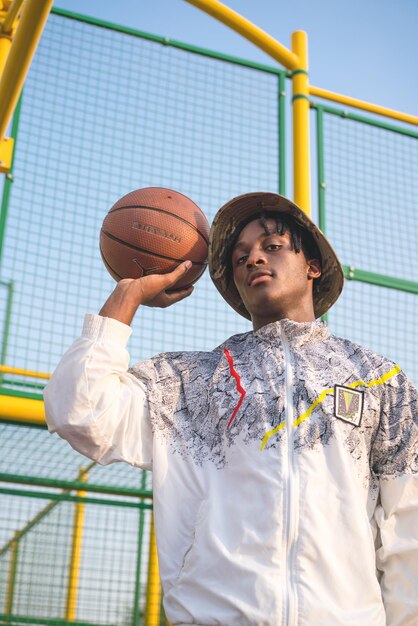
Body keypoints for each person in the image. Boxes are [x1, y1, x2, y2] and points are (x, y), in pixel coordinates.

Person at [44, 192, 418, 626]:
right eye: (240, 257)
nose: (253, 259)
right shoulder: (188, 382)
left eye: (271, 247)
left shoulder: (378, 379)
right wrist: (126, 297)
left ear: (312, 266)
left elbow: (407, 525)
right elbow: (76, 409)